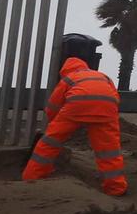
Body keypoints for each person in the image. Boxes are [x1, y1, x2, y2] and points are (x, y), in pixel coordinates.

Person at [22, 33, 128, 197]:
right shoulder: (102, 75)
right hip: (107, 108)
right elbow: (114, 96)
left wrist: (54, 124)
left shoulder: (69, 78)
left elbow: (52, 106)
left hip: (76, 105)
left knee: (49, 144)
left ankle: (31, 178)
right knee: (109, 151)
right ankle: (116, 188)